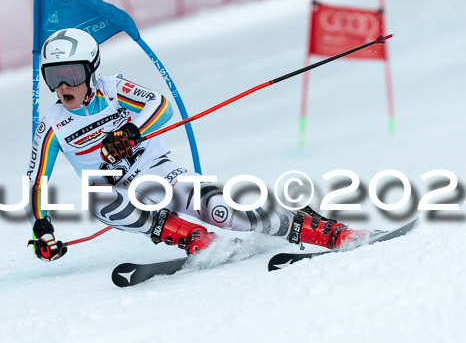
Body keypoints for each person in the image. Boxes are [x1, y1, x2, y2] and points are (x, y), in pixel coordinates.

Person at [26, 28, 368, 261]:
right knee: (99, 198)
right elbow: (36, 180)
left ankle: (322, 230)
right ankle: (193, 238)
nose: (63, 86)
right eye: (54, 77)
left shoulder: (114, 88)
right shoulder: (52, 123)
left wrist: (128, 132)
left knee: (223, 212)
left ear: (92, 70)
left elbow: (161, 106)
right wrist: (42, 229)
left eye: (71, 74)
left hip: (155, 171)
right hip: (114, 190)